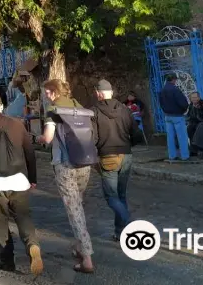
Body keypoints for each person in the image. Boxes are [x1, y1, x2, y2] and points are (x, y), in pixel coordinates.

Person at [0, 92, 42, 276]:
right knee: (23, 218)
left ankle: (7, 261)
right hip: (19, 181)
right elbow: (30, 153)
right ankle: (32, 245)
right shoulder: (18, 124)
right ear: (2, 106)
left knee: (1, 222)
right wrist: (33, 178)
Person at [36, 78, 95, 274]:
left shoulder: (53, 110)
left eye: (47, 92)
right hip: (84, 162)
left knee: (74, 209)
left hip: (65, 164)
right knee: (78, 204)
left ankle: (86, 257)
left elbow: (48, 138)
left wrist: (37, 138)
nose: (46, 95)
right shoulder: (77, 105)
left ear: (53, 92)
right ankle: (79, 246)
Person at [92, 79, 144, 242]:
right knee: (121, 195)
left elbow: (93, 138)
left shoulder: (94, 111)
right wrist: (128, 145)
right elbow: (136, 134)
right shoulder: (124, 109)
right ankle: (120, 232)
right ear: (112, 93)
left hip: (108, 156)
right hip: (126, 155)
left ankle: (128, 222)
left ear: (99, 93)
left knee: (111, 197)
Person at [159, 75, 190, 162]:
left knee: (170, 137)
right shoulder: (175, 89)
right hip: (177, 115)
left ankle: (172, 156)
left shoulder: (162, 90)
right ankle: (185, 156)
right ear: (173, 80)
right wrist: (184, 110)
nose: (176, 81)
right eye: (175, 79)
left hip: (167, 116)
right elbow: (183, 102)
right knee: (182, 137)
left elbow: (161, 103)